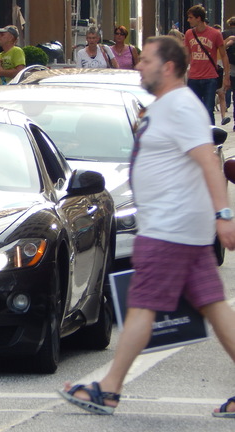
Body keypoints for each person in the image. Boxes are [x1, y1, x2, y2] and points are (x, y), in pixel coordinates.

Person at [59, 35, 235, 419]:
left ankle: (107, 390)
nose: (138, 65)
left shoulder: (182, 107)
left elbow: (208, 160)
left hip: (170, 228)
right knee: (214, 306)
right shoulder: (166, 106)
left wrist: (224, 216)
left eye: (146, 61)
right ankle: (108, 390)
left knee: (141, 306)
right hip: (176, 226)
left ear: (167, 67)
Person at [184, 5, 230, 125]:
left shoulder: (215, 34)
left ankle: (211, 136)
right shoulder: (189, 34)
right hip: (193, 77)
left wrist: (226, 77)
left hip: (210, 77)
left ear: (199, 18)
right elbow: (187, 55)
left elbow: (224, 55)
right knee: (194, 109)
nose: (188, 20)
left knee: (209, 109)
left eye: (190, 17)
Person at [213, 25, 231, 126]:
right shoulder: (211, 44)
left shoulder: (221, 45)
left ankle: (223, 116)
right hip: (212, 69)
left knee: (221, 94)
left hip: (220, 69)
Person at [222, 17, 235, 130]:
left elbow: (220, 48)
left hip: (230, 66)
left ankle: (227, 104)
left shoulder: (225, 33)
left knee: (229, 89)